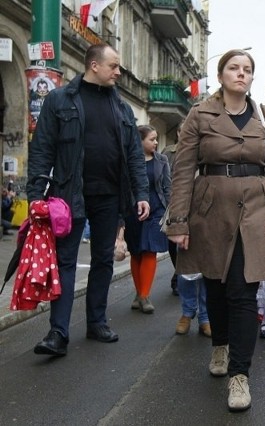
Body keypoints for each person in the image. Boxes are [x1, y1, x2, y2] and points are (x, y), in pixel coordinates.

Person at [164, 49, 265, 412]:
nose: (241, 74)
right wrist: (178, 221)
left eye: (247, 69)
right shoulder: (199, 114)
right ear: (221, 76)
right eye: (234, 68)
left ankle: (240, 375)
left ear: (252, 77)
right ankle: (219, 344)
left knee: (242, 291)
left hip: (255, 211)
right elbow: (184, 169)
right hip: (209, 211)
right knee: (215, 287)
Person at [27, 43, 150, 356]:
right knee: (65, 261)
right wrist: (34, 195)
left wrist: (142, 193)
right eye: (114, 66)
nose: (118, 72)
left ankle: (97, 322)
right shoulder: (59, 99)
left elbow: (135, 155)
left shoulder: (122, 108)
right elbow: (42, 148)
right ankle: (58, 333)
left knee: (103, 260)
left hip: (110, 196)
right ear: (94, 65)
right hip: (70, 195)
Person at [125, 125, 170, 314]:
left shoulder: (162, 160)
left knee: (150, 251)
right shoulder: (129, 161)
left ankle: (144, 295)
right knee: (136, 251)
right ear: (140, 141)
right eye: (152, 139)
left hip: (156, 210)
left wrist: (171, 210)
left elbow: (167, 186)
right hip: (134, 211)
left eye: (156, 138)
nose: (156, 142)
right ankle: (139, 293)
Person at [162, 121, 184, 296]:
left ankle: (179, 277)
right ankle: (179, 271)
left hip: (191, 202)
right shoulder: (168, 152)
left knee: (186, 243)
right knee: (171, 243)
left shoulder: (200, 150)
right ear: (178, 132)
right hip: (170, 202)